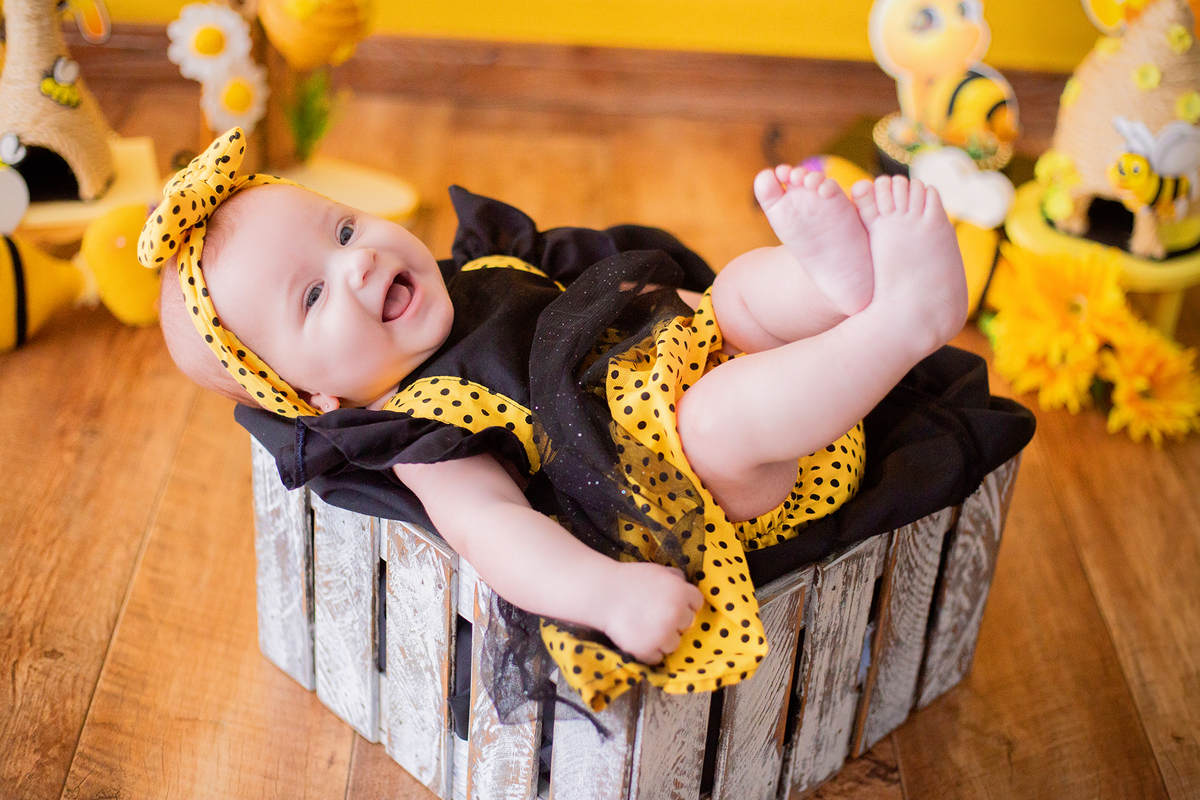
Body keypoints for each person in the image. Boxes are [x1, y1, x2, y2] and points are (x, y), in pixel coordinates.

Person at [146, 129, 967, 711]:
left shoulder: (483, 267)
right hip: (704, 479)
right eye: (315, 295)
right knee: (719, 419)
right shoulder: (420, 434)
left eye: (344, 228)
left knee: (742, 292)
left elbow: (644, 299)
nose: (357, 260)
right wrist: (606, 593)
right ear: (315, 398)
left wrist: (718, 320)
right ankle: (898, 325)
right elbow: (497, 535)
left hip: (704, 357)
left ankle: (832, 285)